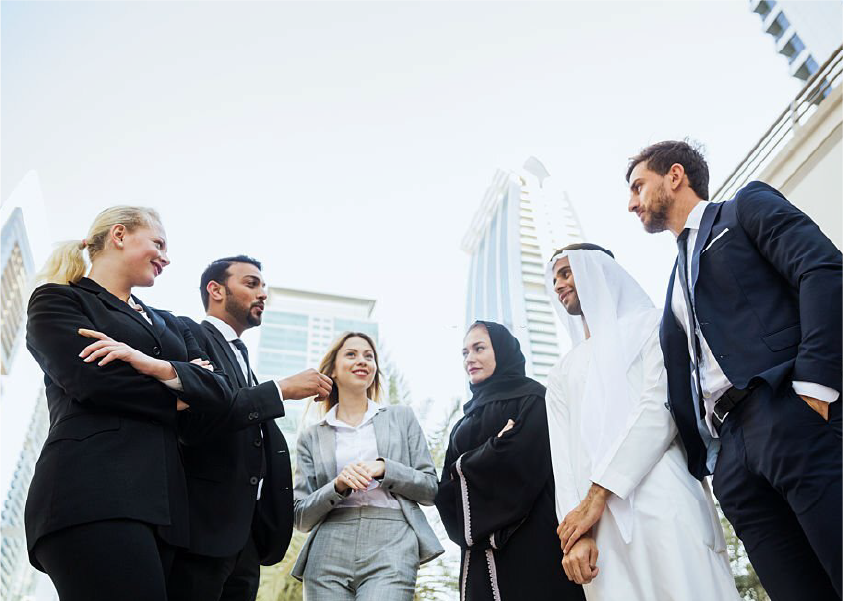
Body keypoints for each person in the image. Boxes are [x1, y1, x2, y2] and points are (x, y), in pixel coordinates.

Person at [627, 140, 843, 599]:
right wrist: (716, 462)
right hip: (734, 461)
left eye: (638, 186)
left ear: (675, 175)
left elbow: (823, 271)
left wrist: (815, 386)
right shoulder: (672, 285)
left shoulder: (743, 208)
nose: (632, 203)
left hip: (790, 414)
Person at [24, 206, 235, 601]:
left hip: (166, 511)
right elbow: (94, 381)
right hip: (92, 494)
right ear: (119, 235)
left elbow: (220, 393)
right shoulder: (59, 300)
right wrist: (182, 392)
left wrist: (149, 364)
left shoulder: (172, 324)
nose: (166, 257)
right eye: (159, 243)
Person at [545, 244, 740, 600]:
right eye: (554, 278)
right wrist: (577, 534)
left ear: (597, 271)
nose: (558, 284)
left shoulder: (653, 325)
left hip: (664, 495)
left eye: (567, 272)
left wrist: (599, 493)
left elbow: (659, 410)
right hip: (599, 529)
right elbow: (563, 461)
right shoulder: (561, 372)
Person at [168, 256, 333, 601]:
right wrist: (281, 390)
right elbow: (197, 420)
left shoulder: (243, 360)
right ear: (216, 290)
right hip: (201, 530)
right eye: (251, 283)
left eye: (263, 286)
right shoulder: (189, 333)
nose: (262, 294)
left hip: (246, 539)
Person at [435, 321, 585, 601]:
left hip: (533, 539)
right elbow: (445, 491)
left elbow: (523, 461)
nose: (470, 359)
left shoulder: (533, 399)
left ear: (502, 350)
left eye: (479, 348)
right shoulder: (463, 422)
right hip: (479, 557)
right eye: (465, 353)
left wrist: (465, 465)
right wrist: (493, 448)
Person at [291, 332, 443, 600]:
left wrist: (384, 469)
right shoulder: (311, 436)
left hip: (392, 542)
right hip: (328, 548)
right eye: (351, 354)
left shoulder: (402, 418)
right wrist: (338, 486)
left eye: (369, 356)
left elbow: (430, 489)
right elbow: (300, 517)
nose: (362, 360)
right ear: (333, 370)